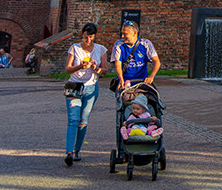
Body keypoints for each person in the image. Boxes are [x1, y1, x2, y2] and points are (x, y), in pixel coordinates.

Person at [63, 22, 109, 166]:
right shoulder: (75, 48)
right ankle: (69, 152)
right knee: (73, 119)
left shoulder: (101, 49)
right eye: (85, 37)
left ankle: (77, 150)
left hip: (90, 88)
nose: (88, 40)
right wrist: (80, 66)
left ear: (95, 36)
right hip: (75, 87)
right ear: (81, 36)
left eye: (90, 37)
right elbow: (68, 69)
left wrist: (96, 68)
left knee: (83, 121)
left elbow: (105, 70)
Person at [111, 20, 161, 88]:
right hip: (125, 82)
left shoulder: (145, 44)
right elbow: (118, 64)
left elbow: (157, 62)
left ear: (135, 33)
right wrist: (121, 79)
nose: (122, 36)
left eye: (125, 34)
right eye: (122, 33)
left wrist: (151, 77)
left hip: (141, 82)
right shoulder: (119, 45)